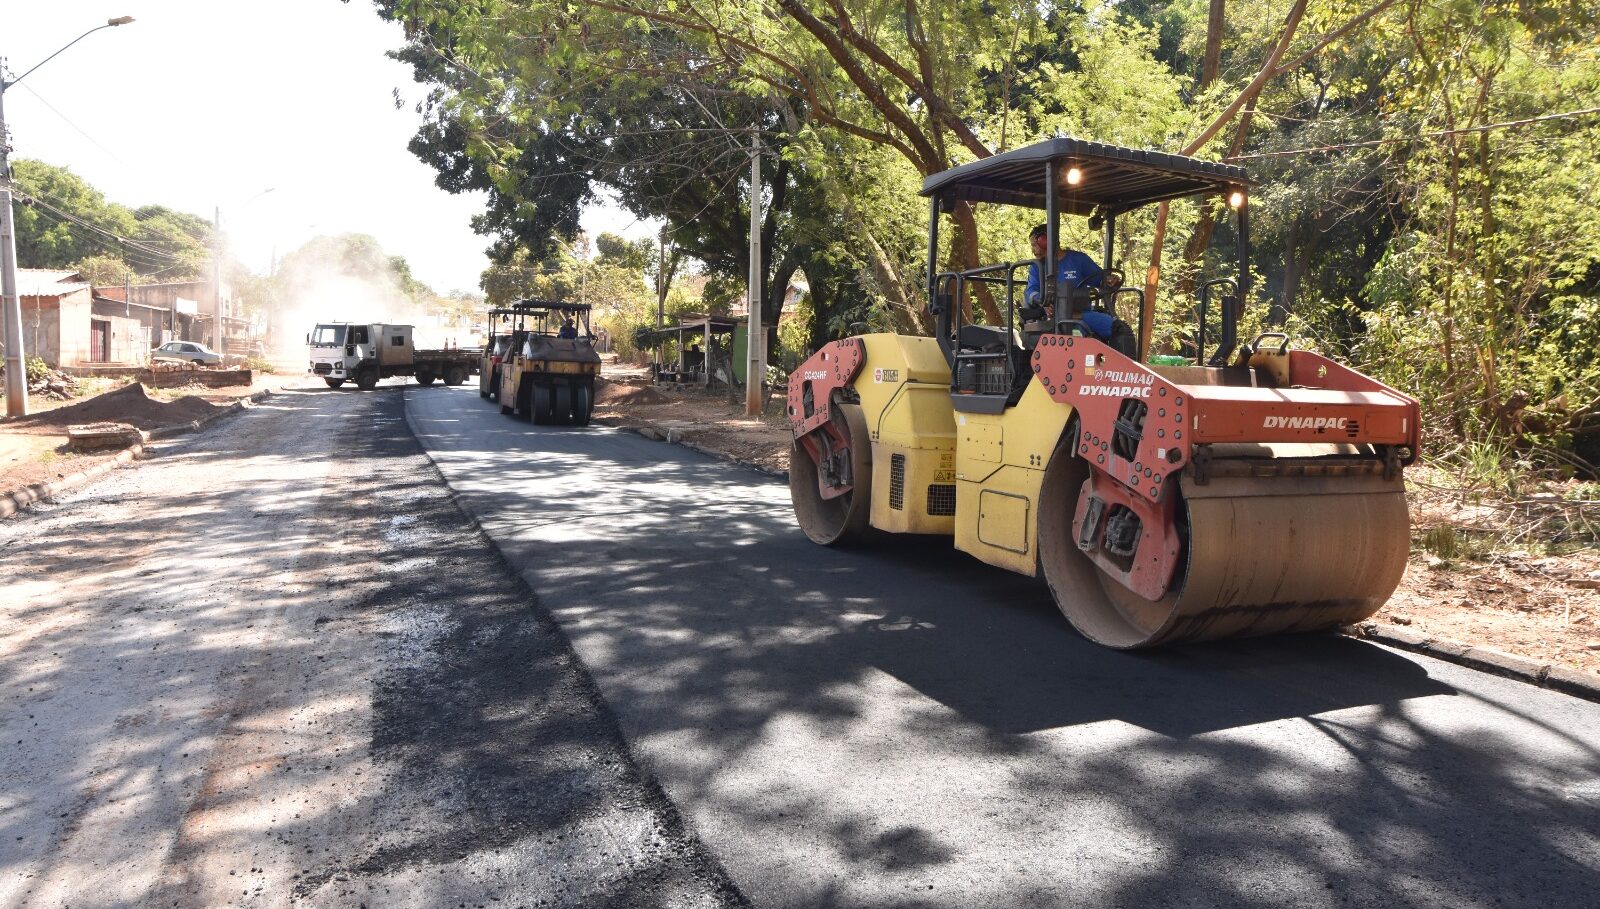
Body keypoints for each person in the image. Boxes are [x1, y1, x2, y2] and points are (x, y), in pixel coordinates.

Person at [1023, 223, 1121, 340]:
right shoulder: (1037, 266)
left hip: (1082, 312)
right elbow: (1031, 290)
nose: (1033, 250)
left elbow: (1100, 279)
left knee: (1116, 327)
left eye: (1034, 245)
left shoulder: (1079, 259)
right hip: (1054, 317)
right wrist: (1043, 303)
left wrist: (1110, 280)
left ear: (1045, 241)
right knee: (1075, 332)